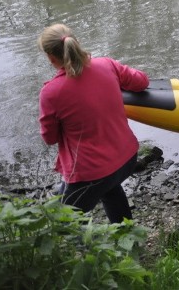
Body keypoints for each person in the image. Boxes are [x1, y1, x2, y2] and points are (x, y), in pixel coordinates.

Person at [38, 23, 148, 222]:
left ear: (50, 58)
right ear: (76, 43)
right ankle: (128, 238)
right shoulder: (107, 64)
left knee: (62, 220)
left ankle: (82, 251)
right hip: (127, 159)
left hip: (92, 175)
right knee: (110, 189)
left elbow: (50, 138)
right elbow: (141, 81)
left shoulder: (51, 92)